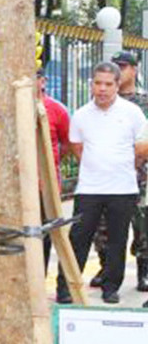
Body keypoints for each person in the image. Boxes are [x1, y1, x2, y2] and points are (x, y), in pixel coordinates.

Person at [56, 61, 146, 305]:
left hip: (123, 188)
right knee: (78, 239)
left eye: (108, 84)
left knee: (117, 241)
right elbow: (77, 147)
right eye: (98, 83)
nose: (102, 89)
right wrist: (97, 165)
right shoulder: (82, 115)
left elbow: (143, 145)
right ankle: (66, 287)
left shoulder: (132, 113)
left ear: (118, 85)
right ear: (92, 85)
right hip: (89, 189)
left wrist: (128, 164)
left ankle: (111, 287)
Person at [90, 51, 148, 292]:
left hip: (140, 176)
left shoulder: (144, 103)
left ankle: (144, 271)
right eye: (115, 66)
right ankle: (107, 268)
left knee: (143, 226)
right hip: (109, 176)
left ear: (134, 70)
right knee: (103, 227)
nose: (119, 70)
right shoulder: (100, 103)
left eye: (123, 67)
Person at [36, 67, 70, 271]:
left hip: (46, 184)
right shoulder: (7, 108)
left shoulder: (57, 110)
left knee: (45, 232)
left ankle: (40, 275)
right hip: (16, 183)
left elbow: (67, 144)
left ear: (42, 81)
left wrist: (50, 163)